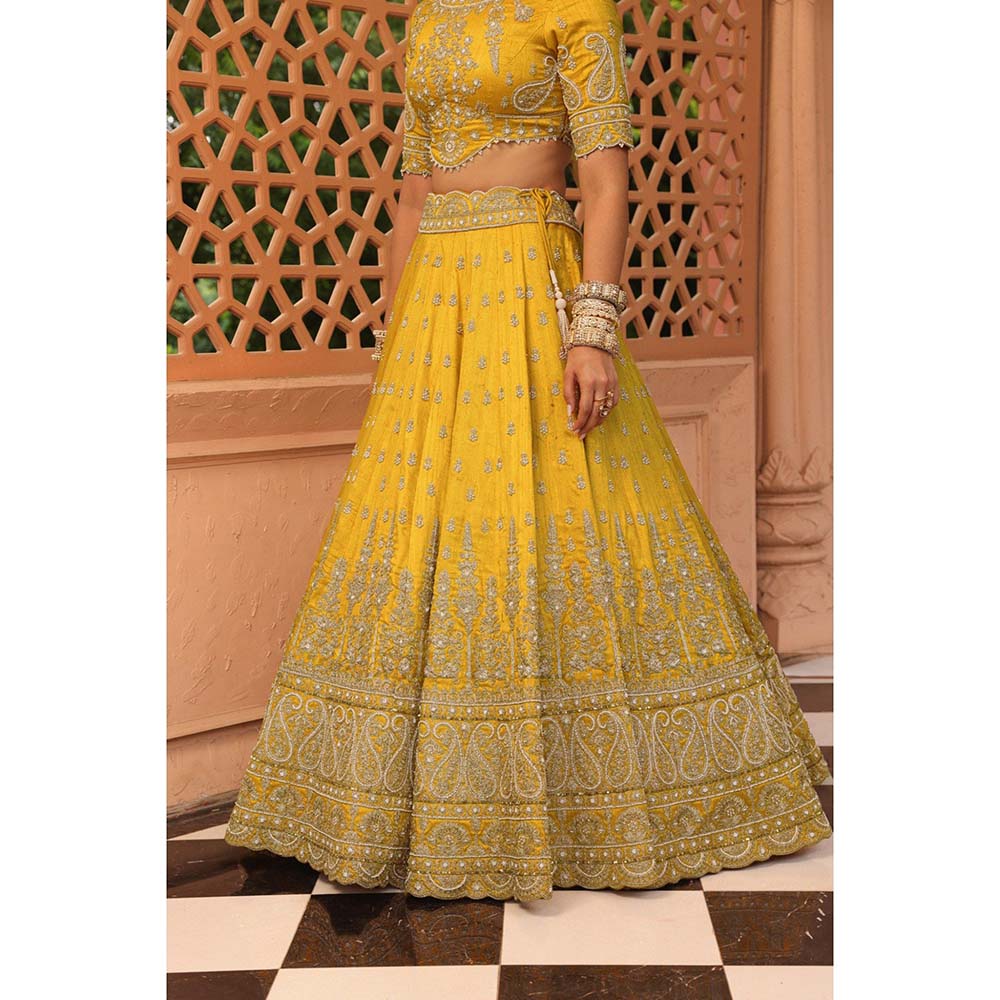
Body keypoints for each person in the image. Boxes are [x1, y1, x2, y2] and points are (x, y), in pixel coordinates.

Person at [224, 0, 832, 903]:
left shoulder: (573, 10)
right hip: (437, 298)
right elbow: (414, 195)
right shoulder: (431, 19)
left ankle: (601, 793)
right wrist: (394, 337)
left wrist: (592, 328)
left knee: (567, 516)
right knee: (428, 540)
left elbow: (607, 183)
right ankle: (400, 801)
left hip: (530, 279)